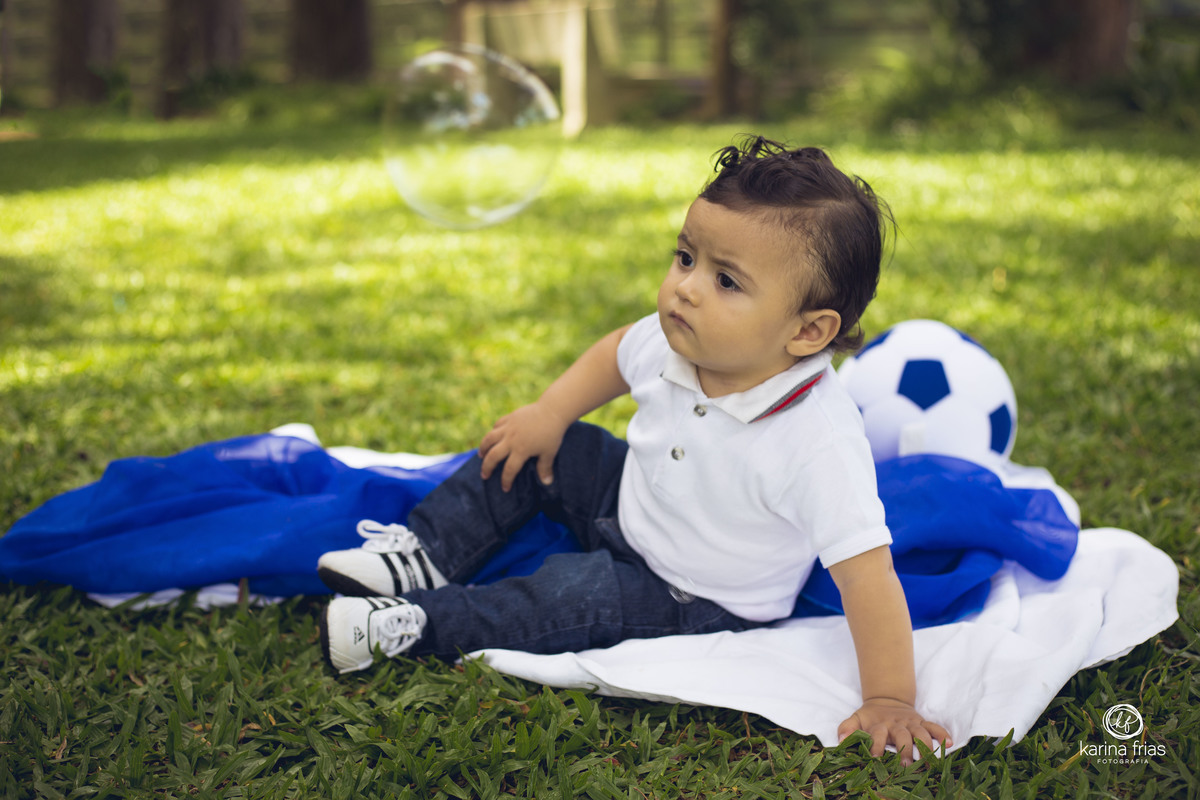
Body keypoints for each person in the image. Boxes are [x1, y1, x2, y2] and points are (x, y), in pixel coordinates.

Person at [317, 136, 951, 762]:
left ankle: (419, 623)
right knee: (550, 448)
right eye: (685, 257)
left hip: (693, 593)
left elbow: (868, 577)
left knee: (569, 593)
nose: (687, 288)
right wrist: (550, 411)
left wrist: (891, 697)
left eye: (726, 280)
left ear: (808, 331)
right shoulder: (677, 337)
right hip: (631, 501)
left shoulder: (816, 440)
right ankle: (427, 551)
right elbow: (616, 354)